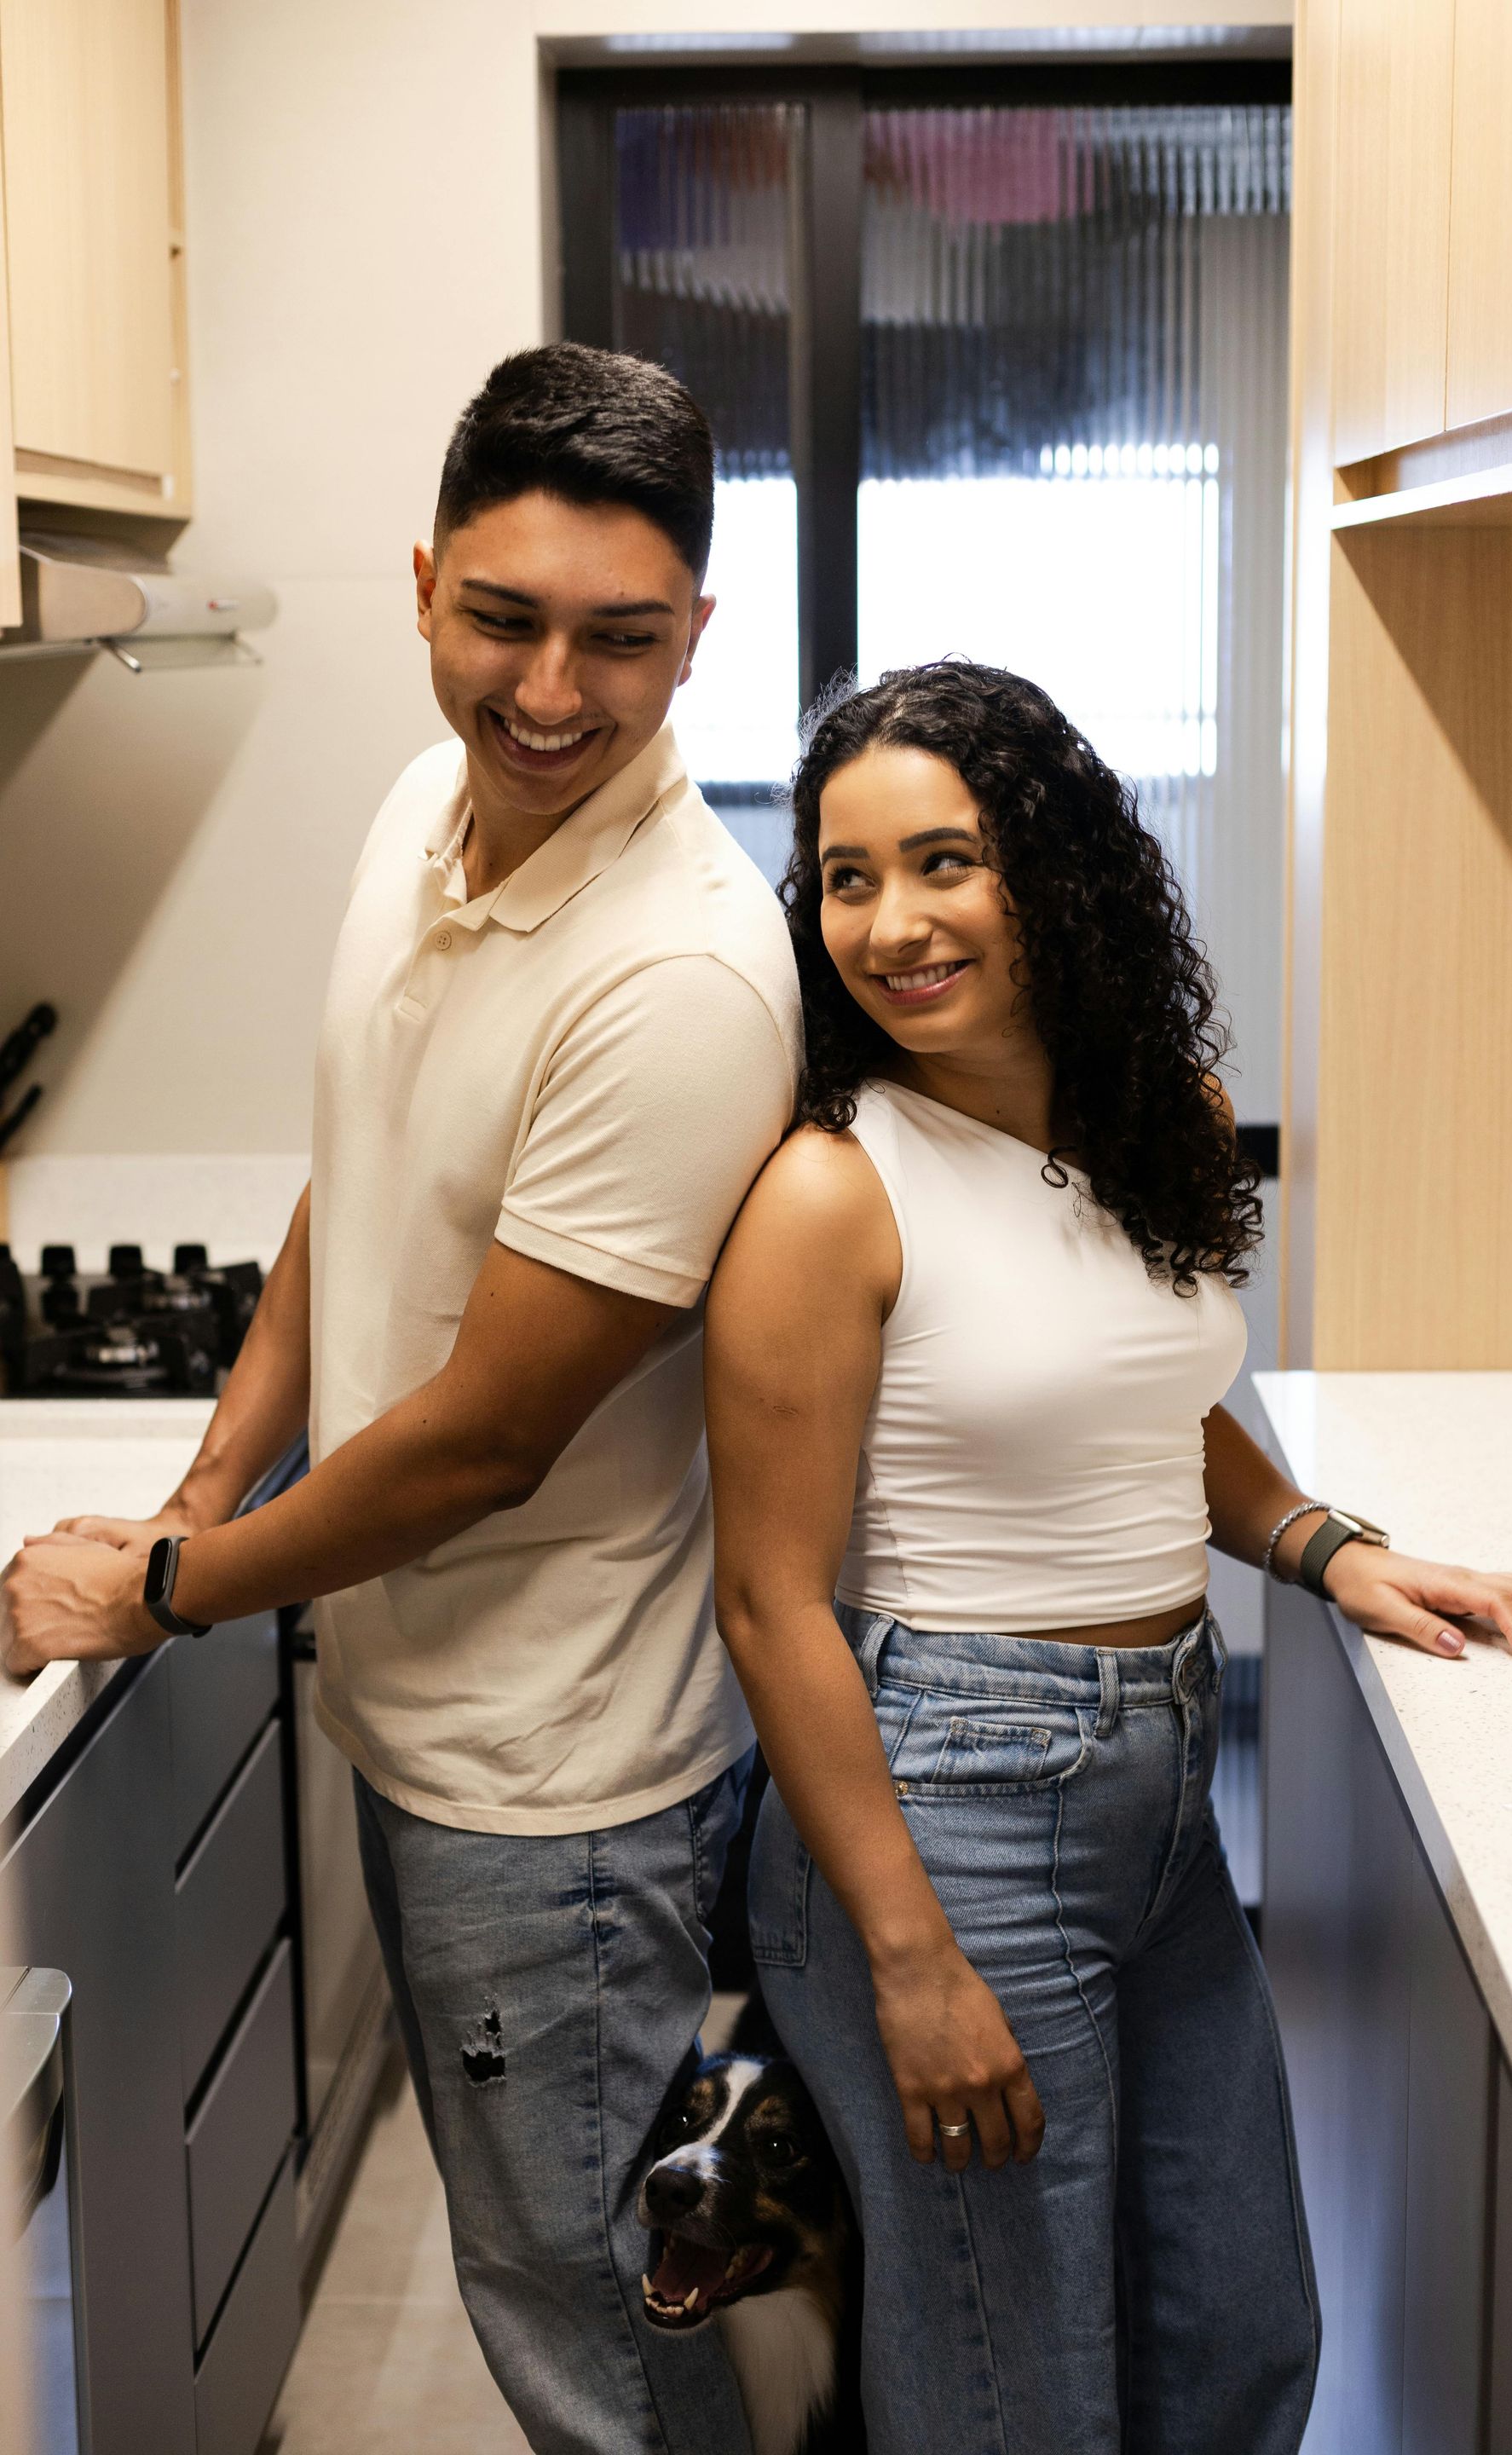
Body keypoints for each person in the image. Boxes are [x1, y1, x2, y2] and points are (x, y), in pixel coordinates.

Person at [0, 344, 802, 2455]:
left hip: (553, 1789)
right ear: (425, 581)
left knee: (585, 2332)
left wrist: (171, 1586)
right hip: (427, 1710)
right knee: (553, 2277)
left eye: (621, 641)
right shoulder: (417, 810)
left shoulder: (686, 976)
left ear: (697, 636)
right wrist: (203, 1478)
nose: (551, 691)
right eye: (505, 621)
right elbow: (358, 1177)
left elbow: (483, 1436)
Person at [703, 659, 1512, 2454]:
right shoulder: (831, 1188)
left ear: (1057, 868)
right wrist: (912, 1961)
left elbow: (1144, 1408)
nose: (890, 922)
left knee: (1238, 2333)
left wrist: (1330, 1549)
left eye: (942, 862)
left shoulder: (1151, 1117)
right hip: (945, 1799)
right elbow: (768, 1599)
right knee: (1012, 2391)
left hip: (1162, 1785)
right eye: (846, 879)